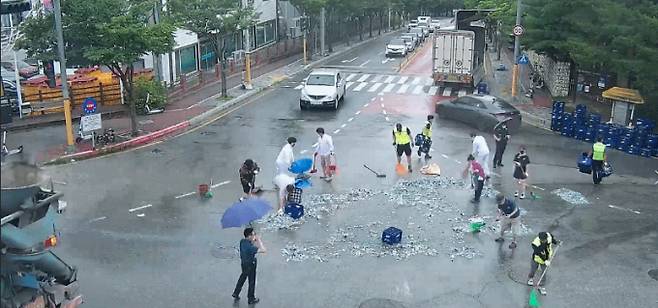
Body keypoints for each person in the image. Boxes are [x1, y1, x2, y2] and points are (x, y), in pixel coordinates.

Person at [232, 227, 266, 304]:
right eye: (253, 235)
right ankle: (251, 298)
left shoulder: (242, 242)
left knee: (243, 277)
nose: (254, 236)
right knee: (252, 281)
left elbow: (250, 243)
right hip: (251, 264)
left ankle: (236, 292)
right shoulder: (251, 248)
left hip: (244, 264)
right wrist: (259, 240)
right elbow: (263, 250)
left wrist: (254, 240)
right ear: (249, 236)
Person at [527, 232, 559, 296]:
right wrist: (545, 261)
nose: (543, 241)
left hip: (547, 257)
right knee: (533, 270)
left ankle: (541, 285)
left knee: (544, 272)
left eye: (544, 240)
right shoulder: (535, 244)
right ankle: (530, 278)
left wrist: (556, 242)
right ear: (539, 239)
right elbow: (539, 253)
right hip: (537, 258)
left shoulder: (549, 236)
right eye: (542, 240)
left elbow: (552, 240)